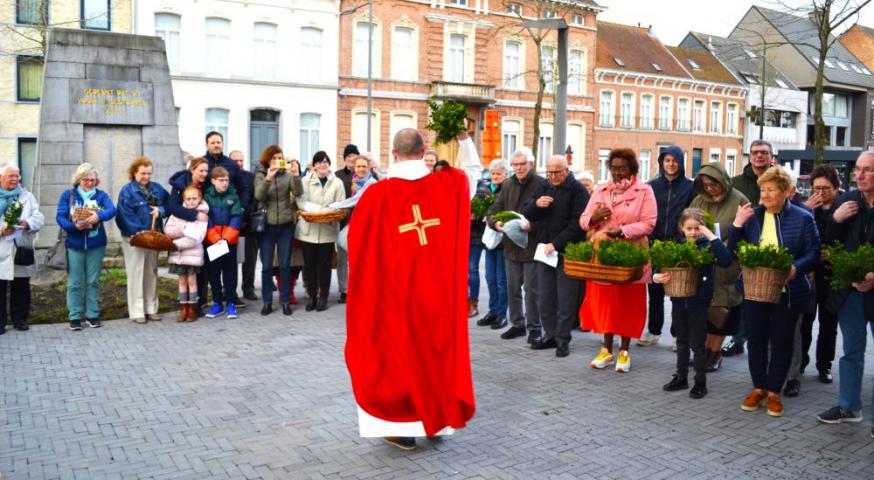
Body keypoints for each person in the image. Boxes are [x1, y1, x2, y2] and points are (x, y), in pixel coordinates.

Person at [345, 127, 479, 451]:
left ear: (393, 155)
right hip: (437, 298)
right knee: (435, 357)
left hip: (396, 299)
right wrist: (463, 140)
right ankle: (437, 421)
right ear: (423, 152)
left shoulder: (375, 196)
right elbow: (473, 174)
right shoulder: (449, 184)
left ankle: (402, 429)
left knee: (397, 361)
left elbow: (356, 247)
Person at [729, 166, 820, 417]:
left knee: (782, 340)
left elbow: (814, 254)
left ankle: (773, 391)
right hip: (754, 289)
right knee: (756, 339)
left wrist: (796, 268)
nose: (765, 195)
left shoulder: (803, 218)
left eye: (771, 190)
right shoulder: (753, 216)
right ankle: (758, 387)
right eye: (762, 189)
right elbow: (733, 252)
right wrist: (737, 225)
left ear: (787, 192)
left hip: (789, 292)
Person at [579, 148, 657, 373]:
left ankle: (624, 350)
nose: (617, 172)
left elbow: (649, 223)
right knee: (605, 301)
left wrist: (622, 231)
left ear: (632, 169)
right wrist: (593, 219)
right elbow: (584, 219)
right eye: (614, 168)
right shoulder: (601, 190)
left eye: (622, 168)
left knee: (627, 302)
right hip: (603, 256)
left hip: (631, 256)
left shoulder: (645, 191)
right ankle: (606, 348)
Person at [816, 152, 874, 435]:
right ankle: (849, 406)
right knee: (851, 349)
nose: (860, 175)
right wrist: (834, 220)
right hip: (849, 291)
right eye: (858, 170)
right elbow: (826, 245)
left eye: (868, 171)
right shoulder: (846, 201)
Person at [654, 208, 733, 399]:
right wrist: (656, 276)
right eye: (689, 228)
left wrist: (711, 236)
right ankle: (681, 376)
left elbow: (726, 260)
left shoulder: (708, 245)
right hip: (679, 299)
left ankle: (700, 382)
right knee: (681, 340)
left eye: (697, 228)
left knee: (698, 343)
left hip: (699, 300)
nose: (693, 232)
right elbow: (661, 265)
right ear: (682, 228)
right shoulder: (678, 245)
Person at [522, 155, 589, 358]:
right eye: (549, 172)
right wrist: (536, 205)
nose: (552, 176)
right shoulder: (544, 185)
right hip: (545, 252)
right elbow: (527, 212)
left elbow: (578, 225)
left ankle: (562, 340)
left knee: (566, 300)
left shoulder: (577, 190)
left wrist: (556, 244)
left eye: (556, 172)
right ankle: (549, 335)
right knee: (545, 298)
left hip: (566, 251)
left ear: (566, 170)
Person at [689, 163, 749, 372]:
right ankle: (704, 351)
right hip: (703, 262)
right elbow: (688, 221)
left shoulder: (740, 200)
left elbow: (745, 233)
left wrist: (722, 246)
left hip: (726, 263)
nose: (709, 188)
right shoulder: (699, 200)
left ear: (722, 181)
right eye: (705, 184)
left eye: (713, 184)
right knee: (703, 308)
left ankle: (715, 353)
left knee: (721, 310)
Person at [486, 148, 546, 343]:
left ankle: (535, 328)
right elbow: (493, 210)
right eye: (516, 165)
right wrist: (495, 223)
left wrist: (533, 226)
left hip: (531, 245)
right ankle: (518, 324)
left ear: (531, 164)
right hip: (511, 246)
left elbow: (550, 217)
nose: (519, 168)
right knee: (512, 288)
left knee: (531, 290)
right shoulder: (508, 184)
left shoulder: (541, 184)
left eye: (522, 164)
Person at [640, 146, 694, 348]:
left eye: (675, 160)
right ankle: (654, 331)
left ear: (681, 162)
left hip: (678, 244)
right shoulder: (651, 186)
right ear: (661, 162)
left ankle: (678, 335)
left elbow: (691, 213)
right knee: (654, 290)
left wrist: (683, 237)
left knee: (679, 292)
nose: (671, 164)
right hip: (654, 244)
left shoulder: (690, 187)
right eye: (667, 160)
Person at [724, 139, 773, 356]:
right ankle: (737, 339)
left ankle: (766, 340)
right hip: (742, 243)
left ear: (771, 156)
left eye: (764, 153)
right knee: (741, 293)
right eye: (755, 152)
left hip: (771, 244)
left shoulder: (778, 180)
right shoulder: (735, 183)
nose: (759, 156)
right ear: (749, 155)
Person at [796, 164, 841, 385]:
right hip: (809, 274)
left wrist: (831, 253)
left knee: (829, 323)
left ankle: (825, 365)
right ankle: (801, 361)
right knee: (805, 321)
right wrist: (806, 209)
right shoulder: (807, 208)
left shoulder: (843, 208)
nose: (820, 193)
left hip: (832, 274)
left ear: (836, 187)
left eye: (825, 188)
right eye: (816, 188)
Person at [56, 163, 116, 331]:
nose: (90, 183)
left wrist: (99, 216)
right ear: (78, 179)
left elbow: (112, 210)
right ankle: (75, 316)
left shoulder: (101, 195)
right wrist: (74, 226)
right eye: (86, 180)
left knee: (93, 281)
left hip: (96, 243)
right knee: (75, 282)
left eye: (93, 180)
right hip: (74, 243)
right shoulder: (68, 195)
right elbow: (60, 217)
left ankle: (92, 315)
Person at [116, 157, 170, 324]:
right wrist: (139, 233)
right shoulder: (127, 191)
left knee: (151, 272)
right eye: (142, 173)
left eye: (149, 173)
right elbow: (124, 215)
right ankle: (137, 311)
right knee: (136, 272)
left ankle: (151, 308)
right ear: (134, 173)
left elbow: (170, 205)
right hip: (135, 238)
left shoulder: (158, 189)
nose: (146, 176)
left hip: (153, 237)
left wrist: (161, 210)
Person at [254, 145, 303, 316]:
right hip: (267, 226)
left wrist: (296, 175)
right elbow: (259, 196)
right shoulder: (260, 174)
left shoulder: (288, 175)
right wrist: (268, 177)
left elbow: (298, 191)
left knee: (284, 265)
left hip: (286, 225)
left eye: (279, 157)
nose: (277, 160)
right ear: (268, 159)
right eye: (274, 157)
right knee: (267, 266)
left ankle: (285, 301)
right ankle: (267, 301)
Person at [297, 151, 346, 312]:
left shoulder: (337, 183)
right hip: (308, 230)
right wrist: (318, 210)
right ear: (314, 165)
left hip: (327, 231)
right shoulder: (305, 181)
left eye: (325, 162)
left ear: (329, 164)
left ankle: (323, 296)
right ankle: (312, 296)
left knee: (324, 265)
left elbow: (341, 204)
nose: (322, 165)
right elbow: (301, 201)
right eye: (319, 162)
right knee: (310, 265)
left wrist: (330, 211)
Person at [0, 165, 43, 335]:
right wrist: (2, 229)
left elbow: (39, 217)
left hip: (21, 249)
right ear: (1, 177)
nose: (15, 179)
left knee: (21, 286)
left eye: (17, 176)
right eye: (11, 176)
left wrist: (27, 223)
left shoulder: (27, 196)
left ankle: (20, 320)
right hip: (2, 248)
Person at [168, 157, 211, 317]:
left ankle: (198, 304)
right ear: (192, 169)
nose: (204, 174)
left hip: (201, 234)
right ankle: (187, 307)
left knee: (199, 273)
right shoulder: (180, 184)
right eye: (201, 170)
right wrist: (194, 215)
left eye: (206, 170)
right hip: (184, 231)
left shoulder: (206, 184)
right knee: (185, 278)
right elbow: (173, 207)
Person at [469, 160, 509, 330]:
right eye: (493, 173)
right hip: (486, 238)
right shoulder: (483, 187)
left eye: (499, 173)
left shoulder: (508, 189)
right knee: (490, 278)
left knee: (501, 279)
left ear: (506, 174)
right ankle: (492, 311)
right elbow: (474, 206)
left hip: (502, 240)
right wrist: (474, 213)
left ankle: (501, 314)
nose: (495, 177)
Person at [202, 167, 243, 319]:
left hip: (229, 242)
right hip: (212, 242)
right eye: (221, 180)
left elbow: (236, 217)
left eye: (226, 180)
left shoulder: (234, 196)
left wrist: (226, 238)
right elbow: (206, 219)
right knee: (213, 273)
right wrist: (215, 238)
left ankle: (231, 303)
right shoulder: (206, 197)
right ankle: (217, 302)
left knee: (230, 272)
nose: (224, 183)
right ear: (213, 181)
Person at [231, 150, 259, 302]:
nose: (239, 163)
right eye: (236, 160)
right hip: (231, 225)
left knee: (250, 259)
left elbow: (255, 200)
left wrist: (246, 214)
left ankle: (248, 288)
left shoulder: (250, 177)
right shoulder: (227, 177)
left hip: (248, 225)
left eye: (241, 160)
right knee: (232, 261)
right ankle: (230, 290)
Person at [334, 144, 360, 304]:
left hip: (359, 222)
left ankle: (358, 288)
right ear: (344, 159)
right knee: (342, 258)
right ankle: (344, 290)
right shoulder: (337, 176)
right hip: (342, 222)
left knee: (358, 259)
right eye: (349, 156)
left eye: (354, 156)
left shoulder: (363, 173)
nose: (351, 159)